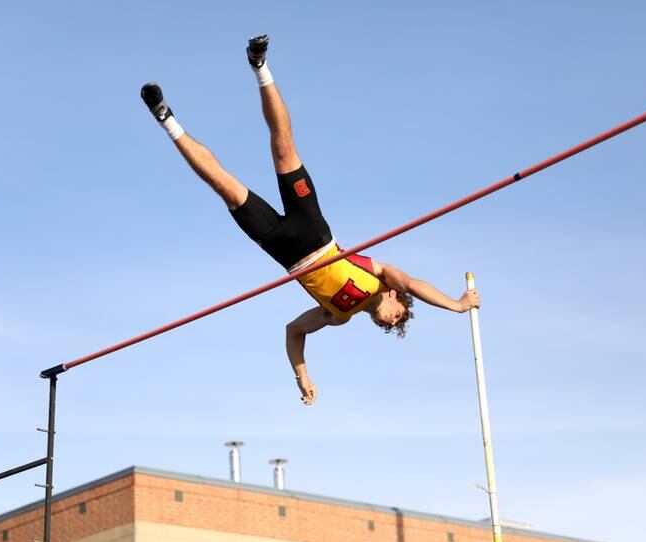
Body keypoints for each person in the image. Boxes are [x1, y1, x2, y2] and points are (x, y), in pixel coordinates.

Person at [141, 35, 480, 405]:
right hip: (312, 229)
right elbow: (414, 284)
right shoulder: (385, 279)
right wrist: (458, 305)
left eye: (391, 326)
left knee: (222, 184)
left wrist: (302, 376)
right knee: (283, 144)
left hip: (281, 249)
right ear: (397, 299)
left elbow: (293, 331)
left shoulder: (337, 316)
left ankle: (165, 119)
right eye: (399, 317)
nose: (390, 323)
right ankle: (260, 66)